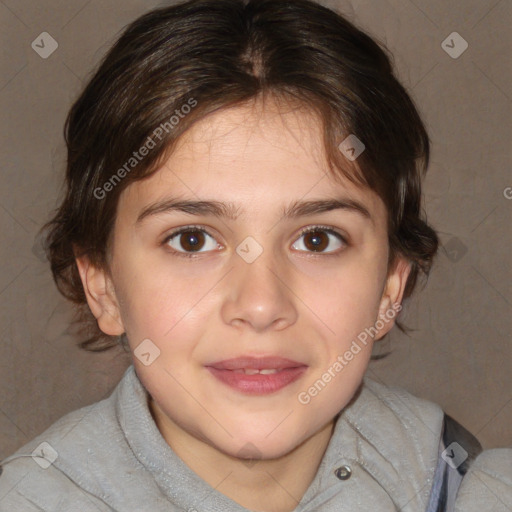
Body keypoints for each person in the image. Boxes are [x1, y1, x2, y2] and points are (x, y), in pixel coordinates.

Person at [0, 0, 510, 510]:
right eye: (192, 240)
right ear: (102, 285)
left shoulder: (467, 487)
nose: (262, 305)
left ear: (390, 287)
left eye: (317, 239)